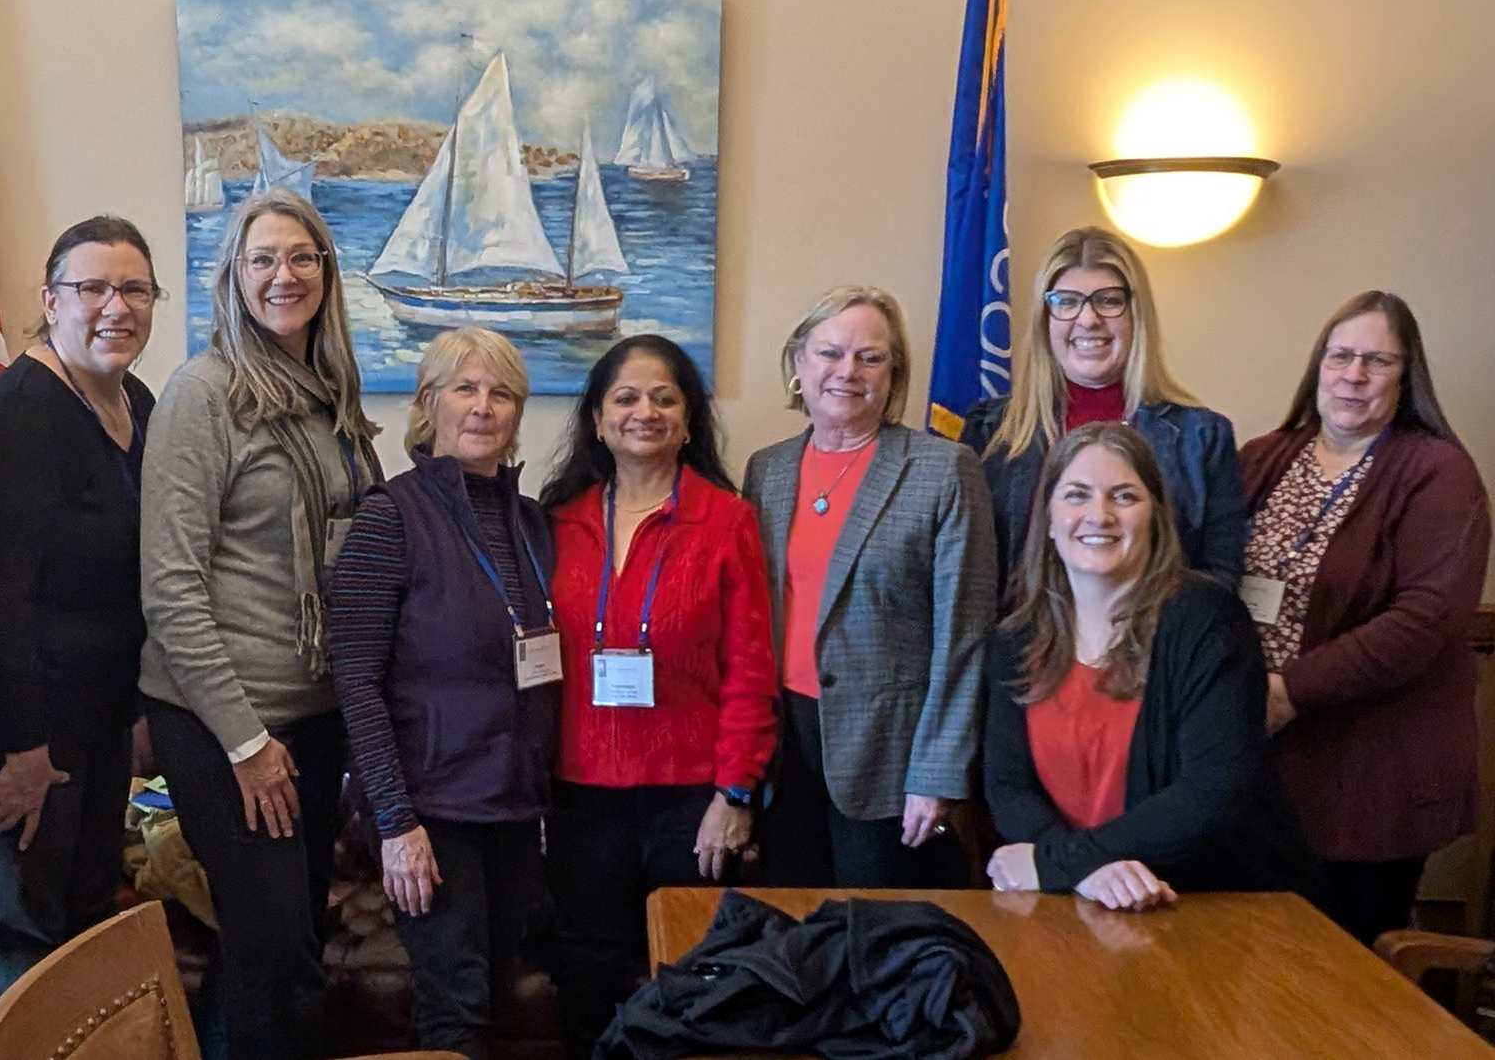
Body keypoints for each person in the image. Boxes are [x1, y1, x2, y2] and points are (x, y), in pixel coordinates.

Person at [140, 191, 382, 1060]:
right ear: (232, 278)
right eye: (263, 260)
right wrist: (245, 741)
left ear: (327, 273)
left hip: (315, 720)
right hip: (226, 724)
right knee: (278, 951)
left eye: (303, 258)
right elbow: (170, 588)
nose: (285, 276)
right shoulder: (202, 395)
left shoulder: (330, 397)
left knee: (278, 951)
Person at [0, 215, 162, 1005]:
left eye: (133, 288)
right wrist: (24, 749)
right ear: (49, 302)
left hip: (92, 727)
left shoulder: (136, 403)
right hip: (20, 741)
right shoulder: (17, 418)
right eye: (91, 287)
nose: (114, 306)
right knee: (24, 945)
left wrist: (131, 710)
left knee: (88, 924)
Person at [538, 334, 778, 1060]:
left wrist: (734, 798)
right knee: (586, 973)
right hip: (580, 796)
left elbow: (750, 670)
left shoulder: (727, 521)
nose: (645, 411)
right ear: (597, 420)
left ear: (689, 418)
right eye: (626, 397)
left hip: (691, 801)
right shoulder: (555, 521)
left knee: (692, 974)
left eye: (664, 397)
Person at [328, 328, 557, 1060]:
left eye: (501, 392)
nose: (484, 407)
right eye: (466, 388)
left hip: (514, 807)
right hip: (433, 810)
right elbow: (355, 681)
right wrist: (395, 823)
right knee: (453, 1010)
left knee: (487, 991)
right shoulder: (390, 516)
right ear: (429, 405)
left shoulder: (531, 524)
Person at [1241, 291, 1491, 943]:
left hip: (1372, 771)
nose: (1354, 375)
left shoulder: (1438, 472)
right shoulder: (1264, 457)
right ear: (1317, 366)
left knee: (1339, 972)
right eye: (1341, 356)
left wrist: (1289, 692)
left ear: (1407, 379)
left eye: (1377, 361)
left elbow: (1425, 620)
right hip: (1261, 761)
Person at [984, 423, 1309, 910]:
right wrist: (1083, 872)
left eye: (1124, 496)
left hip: (1209, 906)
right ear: (1048, 520)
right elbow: (1007, 785)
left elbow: (1210, 793)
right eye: (1076, 495)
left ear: (1156, 517)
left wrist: (1056, 864)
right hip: (1072, 902)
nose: (1099, 515)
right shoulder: (1017, 637)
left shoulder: (1208, 622)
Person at [743, 286, 997, 889]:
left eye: (870, 358)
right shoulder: (766, 470)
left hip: (891, 755)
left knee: (877, 937)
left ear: (893, 374)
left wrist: (937, 774)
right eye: (830, 353)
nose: (847, 372)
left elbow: (965, 635)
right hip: (787, 748)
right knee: (795, 931)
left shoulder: (945, 469)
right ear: (798, 364)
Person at [960, 227, 1247, 592]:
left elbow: (1219, 582)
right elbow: (969, 577)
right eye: (1066, 301)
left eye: (1109, 300)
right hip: (1020, 645)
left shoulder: (1203, 438)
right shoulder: (989, 431)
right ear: (1044, 320)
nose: (1088, 318)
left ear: (1136, 315)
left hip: (1154, 644)